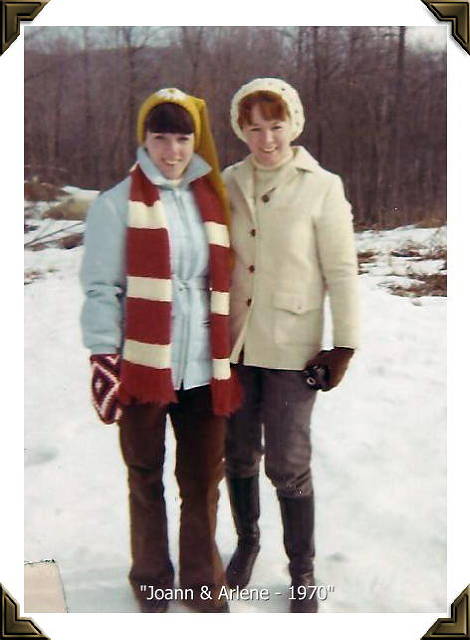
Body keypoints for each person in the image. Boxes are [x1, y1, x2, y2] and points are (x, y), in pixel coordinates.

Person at [80, 87, 240, 613]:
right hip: (143, 367)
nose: (172, 151)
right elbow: (102, 288)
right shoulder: (115, 203)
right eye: (161, 138)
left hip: (204, 367)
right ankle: (150, 577)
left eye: (182, 139)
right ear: (144, 140)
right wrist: (104, 357)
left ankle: (201, 581)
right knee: (145, 475)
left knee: (203, 481)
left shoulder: (211, 198)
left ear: (196, 140)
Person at [222, 78, 360, 613]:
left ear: (293, 124)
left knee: (287, 460)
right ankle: (247, 543)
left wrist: (344, 345)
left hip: (292, 346)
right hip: (235, 345)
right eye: (254, 128)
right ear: (241, 130)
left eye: (275, 126)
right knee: (238, 452)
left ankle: (302, 568)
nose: (266, 139)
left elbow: (341, 271)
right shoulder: (229, 180)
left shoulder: (322, 185)